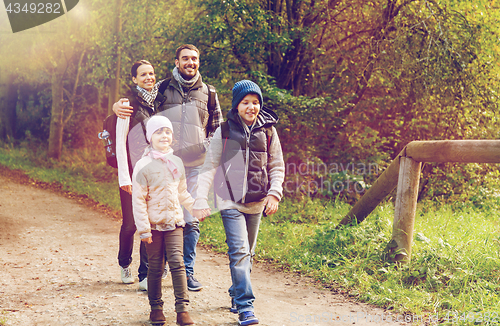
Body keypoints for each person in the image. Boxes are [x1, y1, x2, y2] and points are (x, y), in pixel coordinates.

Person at [114, 44, 223, 291]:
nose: (190, 62)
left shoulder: (210, 93)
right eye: (185, 58)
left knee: (190, 219)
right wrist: (116, 107)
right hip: (161, 165)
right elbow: (136, 102)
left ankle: (187, 272)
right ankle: (156, 267)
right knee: (156, 218)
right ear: (176, 62)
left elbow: (218, 129)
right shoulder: (162, 89)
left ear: (199, 62)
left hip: (195, 166)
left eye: (194, 58)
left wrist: (203, 147)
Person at [192, 80, 285, 326]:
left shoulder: (268, 131)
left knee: (249, 252)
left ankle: (236, 292)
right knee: (240, 252)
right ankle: (246, 306)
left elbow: (277, 165)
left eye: (255, 103)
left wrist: (274, 194)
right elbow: (209, 166)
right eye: (246, 102)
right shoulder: (223, 131)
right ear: (237, 105)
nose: (251, 107)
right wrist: (201, 198)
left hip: (256, 202)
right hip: (229, 201)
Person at [132, 115, 209, 325]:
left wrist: (195, 207)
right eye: (158, 132)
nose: (164, 136)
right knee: (155, 267)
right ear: (150, 137)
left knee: (178, 263)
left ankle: (182, 309)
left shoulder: (177, 162)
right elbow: (138, 200)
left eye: (167, 132)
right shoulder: (142, 165)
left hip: (175, 223)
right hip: (154, 226)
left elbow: (182, 192)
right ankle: (155, 308)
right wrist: (144, 229)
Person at [116, 60, 169, 291]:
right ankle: (124, 263)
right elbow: (120, 144)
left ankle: (146, 273)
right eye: (143, 74)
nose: (149, 77)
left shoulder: (160, 102)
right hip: (132, 174)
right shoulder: (127, 104)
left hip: (155, 174)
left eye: (152, 73)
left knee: (150, 223)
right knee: (130, 225)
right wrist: (124, 179)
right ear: (134, 79)